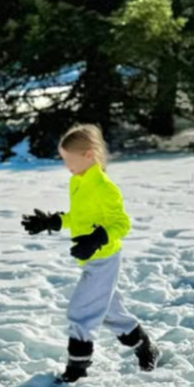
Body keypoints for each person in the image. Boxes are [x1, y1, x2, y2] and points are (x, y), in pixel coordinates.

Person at [21, 124, 159, 383]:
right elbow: (79, 217)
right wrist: (52, 222)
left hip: (104, 258)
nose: (65, 166)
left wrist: (97, 238)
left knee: (81, 311)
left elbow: (122, 223)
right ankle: (145, 345)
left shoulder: (104, 187)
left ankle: (76, 370)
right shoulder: (79, 181)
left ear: (88, 155)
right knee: (110, 311)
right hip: (92, 257)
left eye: (68, 160)